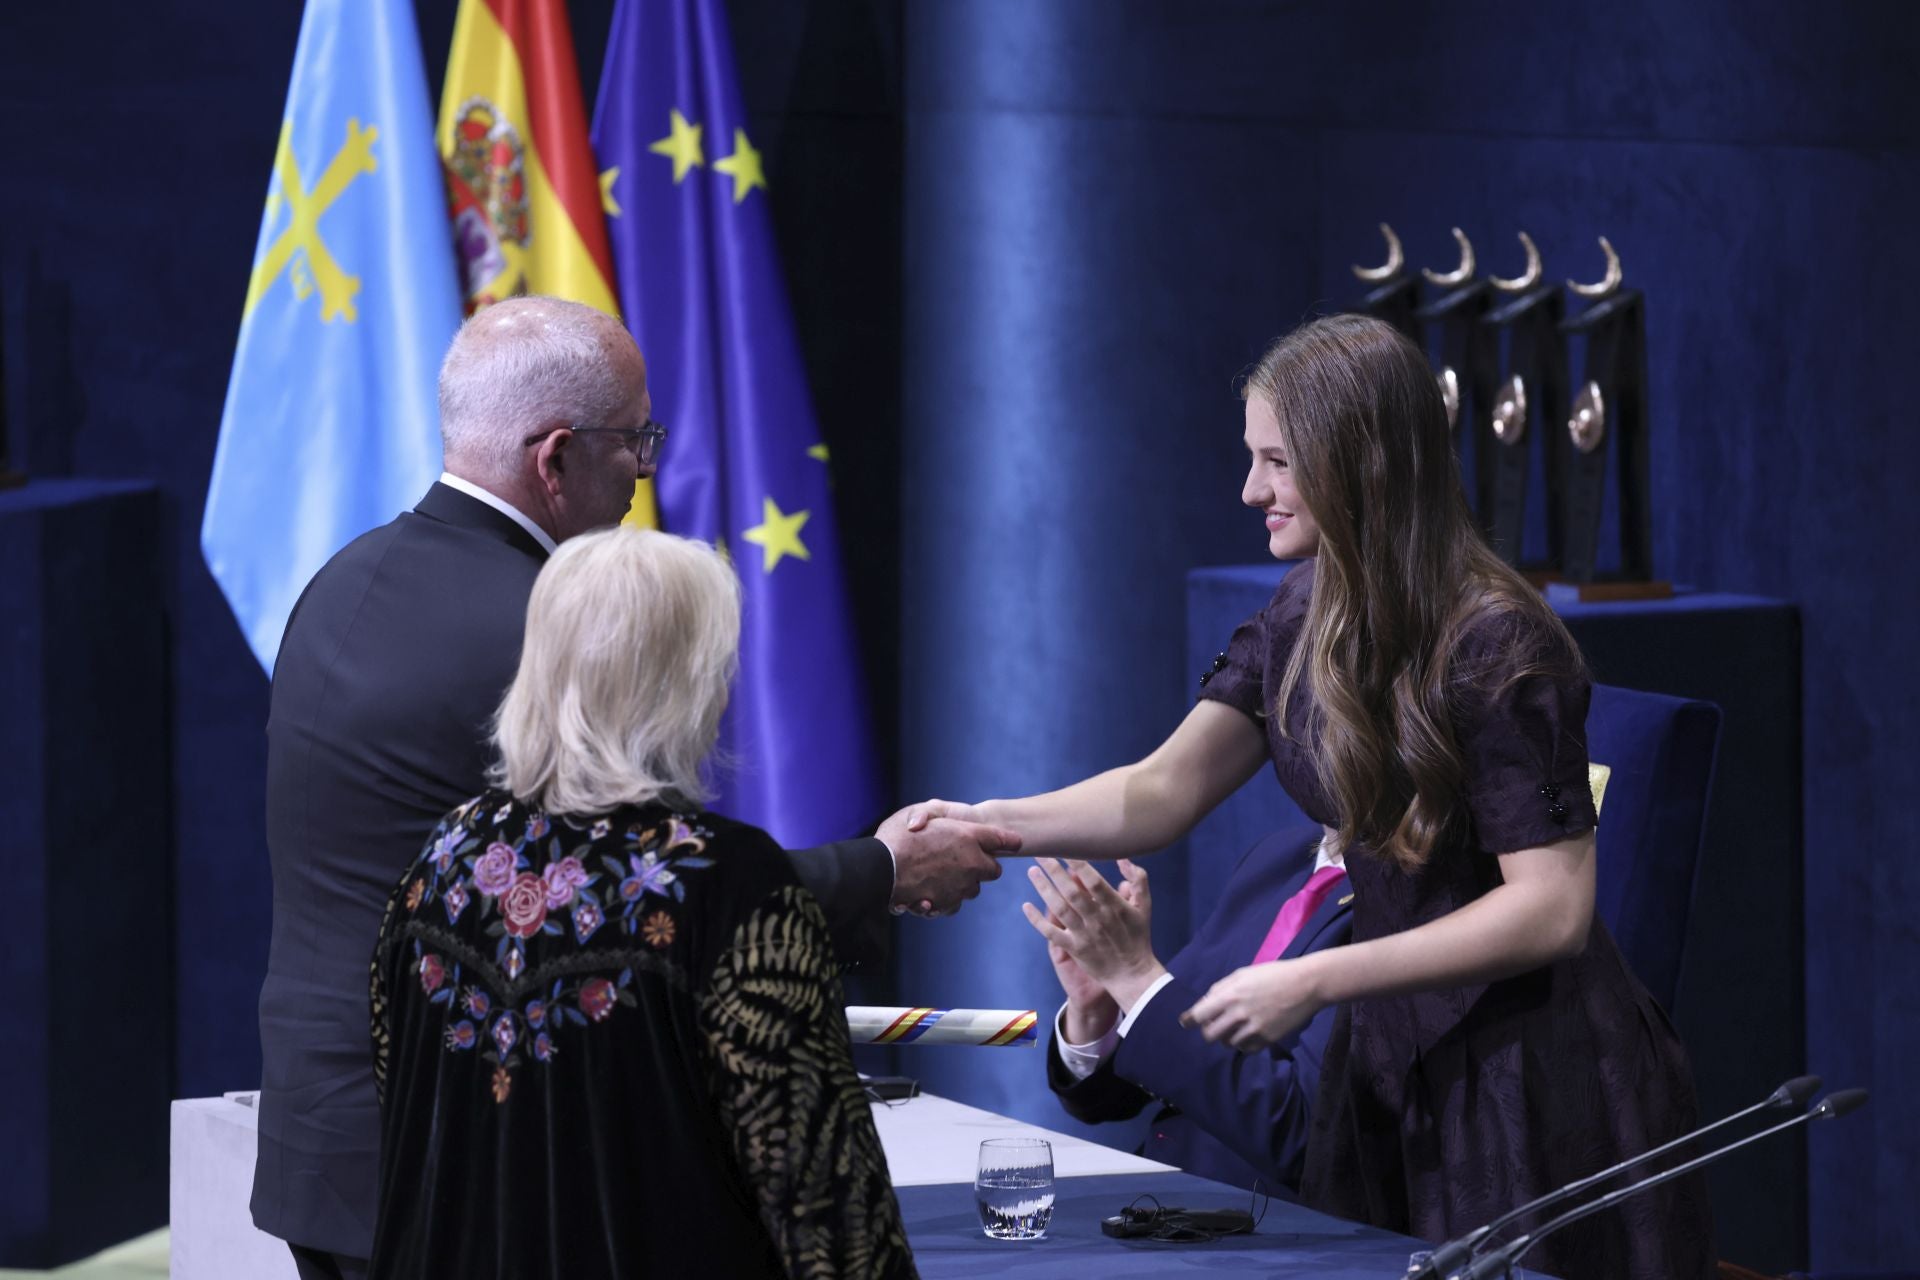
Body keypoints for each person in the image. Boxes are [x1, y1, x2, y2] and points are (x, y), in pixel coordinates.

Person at [909, 314, 1713, 1280]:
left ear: (1361, 462)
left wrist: (1316, 978)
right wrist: (981, 824)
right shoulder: (1305, 607)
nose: (1253, 490)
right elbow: (1158, 792)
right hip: (1391, 1044)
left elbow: (1552, 910)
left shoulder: (1500, 640)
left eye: (1278, 462)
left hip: (1512, 1074)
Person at [258, 296, 1012, 1277]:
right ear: (555, 455)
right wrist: (883, 866)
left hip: (337, 1144)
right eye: (635, 437)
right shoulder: (546, 628)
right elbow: (648, 895)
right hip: (473, 1153)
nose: (650, 465)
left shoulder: (340, 579)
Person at [368, 526, 915, 1278]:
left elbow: (400, 1104)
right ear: (686, 686)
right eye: (720, 667)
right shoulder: (733, 884)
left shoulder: (442, 861)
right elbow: (829, 1209)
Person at [1037, 826, 1352, 1194]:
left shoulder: (1404, 896)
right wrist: (1097, 1010)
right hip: (1160, 1207)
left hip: (1279, 1232)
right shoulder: (1281, 853)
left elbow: (1308, 1141)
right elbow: (1118, 1095)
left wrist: (1135, 979)